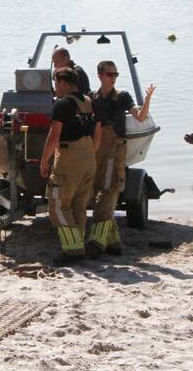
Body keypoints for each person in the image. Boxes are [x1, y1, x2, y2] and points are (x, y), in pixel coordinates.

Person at [88, 61, 156, 255]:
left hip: (114, 149)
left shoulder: (122, 97)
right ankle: (113, 242)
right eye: (110, 74)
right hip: (97, 148)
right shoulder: (92, 98)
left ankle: (97, 241)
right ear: (100, 75)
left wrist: (148, 100)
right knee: (95, 190)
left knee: (108, 192)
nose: (113, 78)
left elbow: (140, 117)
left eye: (116, 74)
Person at [39, 67, 100, 265]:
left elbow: (54, 135)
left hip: (69, 157)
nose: (55, 88)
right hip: (88, 155)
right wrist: (91, 152)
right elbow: (97, 132)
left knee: (57, 205)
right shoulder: (89, 102)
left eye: (56, 83)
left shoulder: (62, 104)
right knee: (78, 205)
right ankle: (77, 244)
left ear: (64, 82)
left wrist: (44, 160)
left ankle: (72, 250)